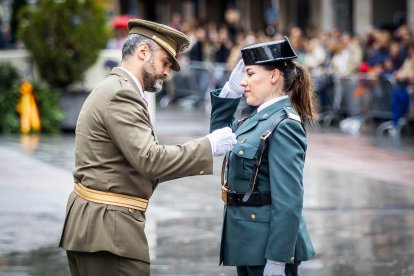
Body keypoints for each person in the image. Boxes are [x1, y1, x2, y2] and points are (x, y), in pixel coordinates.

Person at [59, 19, 237, 276]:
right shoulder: (122, 93)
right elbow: (150, 160)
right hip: (109, 231)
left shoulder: (116, 88)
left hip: (99, 227)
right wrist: (207, 146)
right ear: (143, 51)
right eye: (165, 62)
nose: (167, 72)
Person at [209, 38, 315, 276]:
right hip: (246, 239)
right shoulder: (256, 119)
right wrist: (230, 91)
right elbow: (219, 138)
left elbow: (288, 201)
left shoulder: (284, 123)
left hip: (266, 245)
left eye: (249, 74)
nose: (244, 82)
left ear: (274, 75)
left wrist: (277, 260)